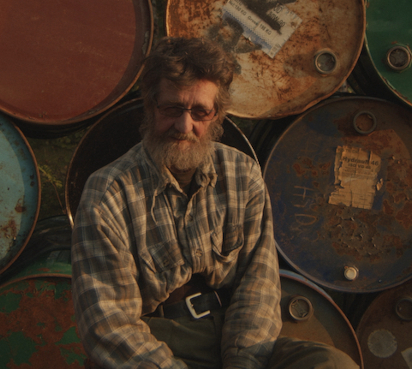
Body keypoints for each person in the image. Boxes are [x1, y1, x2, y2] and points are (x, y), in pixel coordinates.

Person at [71, 36, 359, 369]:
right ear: (151, 107)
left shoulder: (242, 173)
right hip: (155, 341)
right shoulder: (106, 193)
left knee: (332, 364)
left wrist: (243, 361)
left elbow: (259, 284)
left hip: (234, 334)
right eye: (172, 109)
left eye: (200, 112)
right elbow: (108, 323)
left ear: (217, 115)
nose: (184, 126)